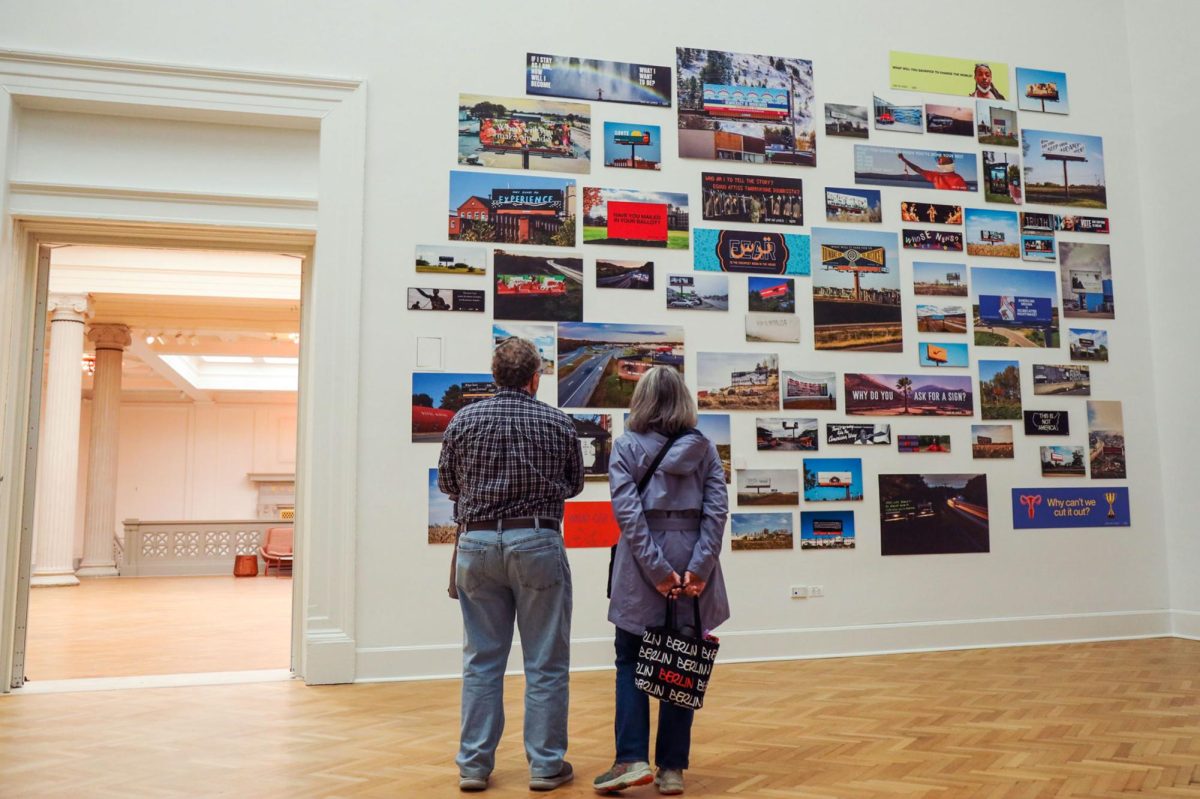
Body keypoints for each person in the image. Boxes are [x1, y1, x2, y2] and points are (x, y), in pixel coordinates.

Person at [438, 337, 585, 793]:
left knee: (481, 660)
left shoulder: (463, 420)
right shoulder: (557, 421)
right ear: (535, 378)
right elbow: (574, 485)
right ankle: (544, 765)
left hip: (477, 543)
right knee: (545, 661)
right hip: (538, 539)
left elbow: (448, 483)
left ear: (494, 375)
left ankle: (474, 766)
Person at [592, 367, 730, 797]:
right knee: (681, 661)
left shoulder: (627, 446)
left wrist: (657, 571)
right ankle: (672, 769)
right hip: (692, 559)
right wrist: (698, 568)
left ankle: (631, 760)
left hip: (641, 566)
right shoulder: (705, 448)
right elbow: (717, 511)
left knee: (630, 660)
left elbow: (628, 516)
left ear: (642, 400)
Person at [897, 152, 968, 191]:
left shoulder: (958, 179)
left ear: (950, 160)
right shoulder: (935, 175)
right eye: (938, 159)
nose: (939, 160)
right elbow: (918, 170)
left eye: (940, 158)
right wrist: (904, 160)